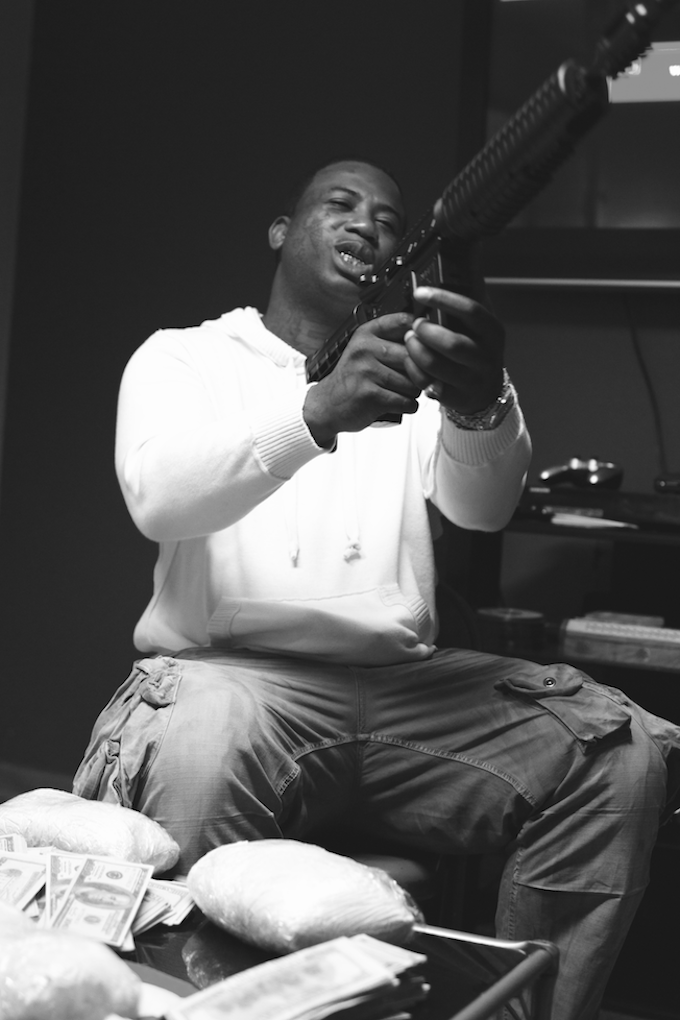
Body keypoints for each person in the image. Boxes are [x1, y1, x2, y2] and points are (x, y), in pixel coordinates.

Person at [74, 158, 679, 1020]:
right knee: (194, 741)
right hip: (236, 683)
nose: (369, 225)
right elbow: (159, 500)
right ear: (282, 231)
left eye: (390, 221)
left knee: (616, 751)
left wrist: (481, 403)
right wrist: (315, 414)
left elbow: (482, 508)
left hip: (403, 695)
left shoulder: (413, 380)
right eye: (341, 204)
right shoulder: (185, 357)